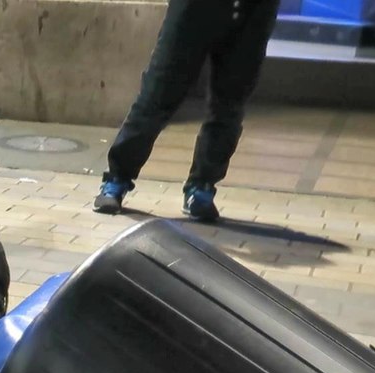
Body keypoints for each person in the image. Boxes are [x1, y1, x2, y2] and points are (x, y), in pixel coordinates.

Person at [93, 0, 280, 221]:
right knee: (159, 90)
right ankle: (117, 178)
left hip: (255, 11)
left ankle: (201, 187)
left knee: (230, 101)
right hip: (195, 7)